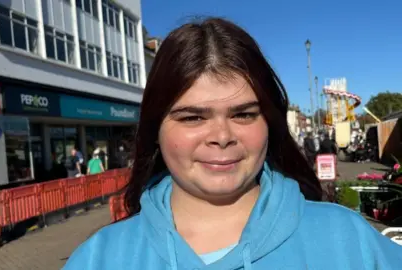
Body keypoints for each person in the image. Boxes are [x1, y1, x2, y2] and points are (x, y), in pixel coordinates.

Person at [64, 18, 402, 269]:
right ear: (156, 129)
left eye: (243, 115)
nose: (222, 136)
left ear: (269, 122)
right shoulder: (99, 260)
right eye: (193, 117)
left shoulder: (349, 242)